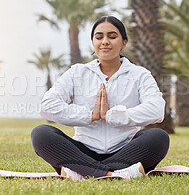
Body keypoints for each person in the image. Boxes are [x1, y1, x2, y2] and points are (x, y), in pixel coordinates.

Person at [31, 16, 170, 180]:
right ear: (93, 42)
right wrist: (89, 116)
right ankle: (112, 174)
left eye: (112, 36)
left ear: (123, 43)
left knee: (158, 137)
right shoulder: (77, 73)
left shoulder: (140, 75)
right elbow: (47, 106)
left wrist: (113, 116)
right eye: (99, 37)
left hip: (126, 150)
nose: (105, 41)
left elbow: (157, 110)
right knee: (40, 133)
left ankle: (81, 172)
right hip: (82, 150)